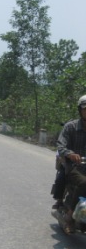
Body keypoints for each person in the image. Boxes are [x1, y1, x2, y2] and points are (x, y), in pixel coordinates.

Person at [56, 95, 86, 234]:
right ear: (80, 110)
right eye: (85, 109)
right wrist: (70, 154)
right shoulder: (71, 126)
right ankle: (69, 217)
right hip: (73, 167)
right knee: (84, 183)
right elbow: (61, 145)